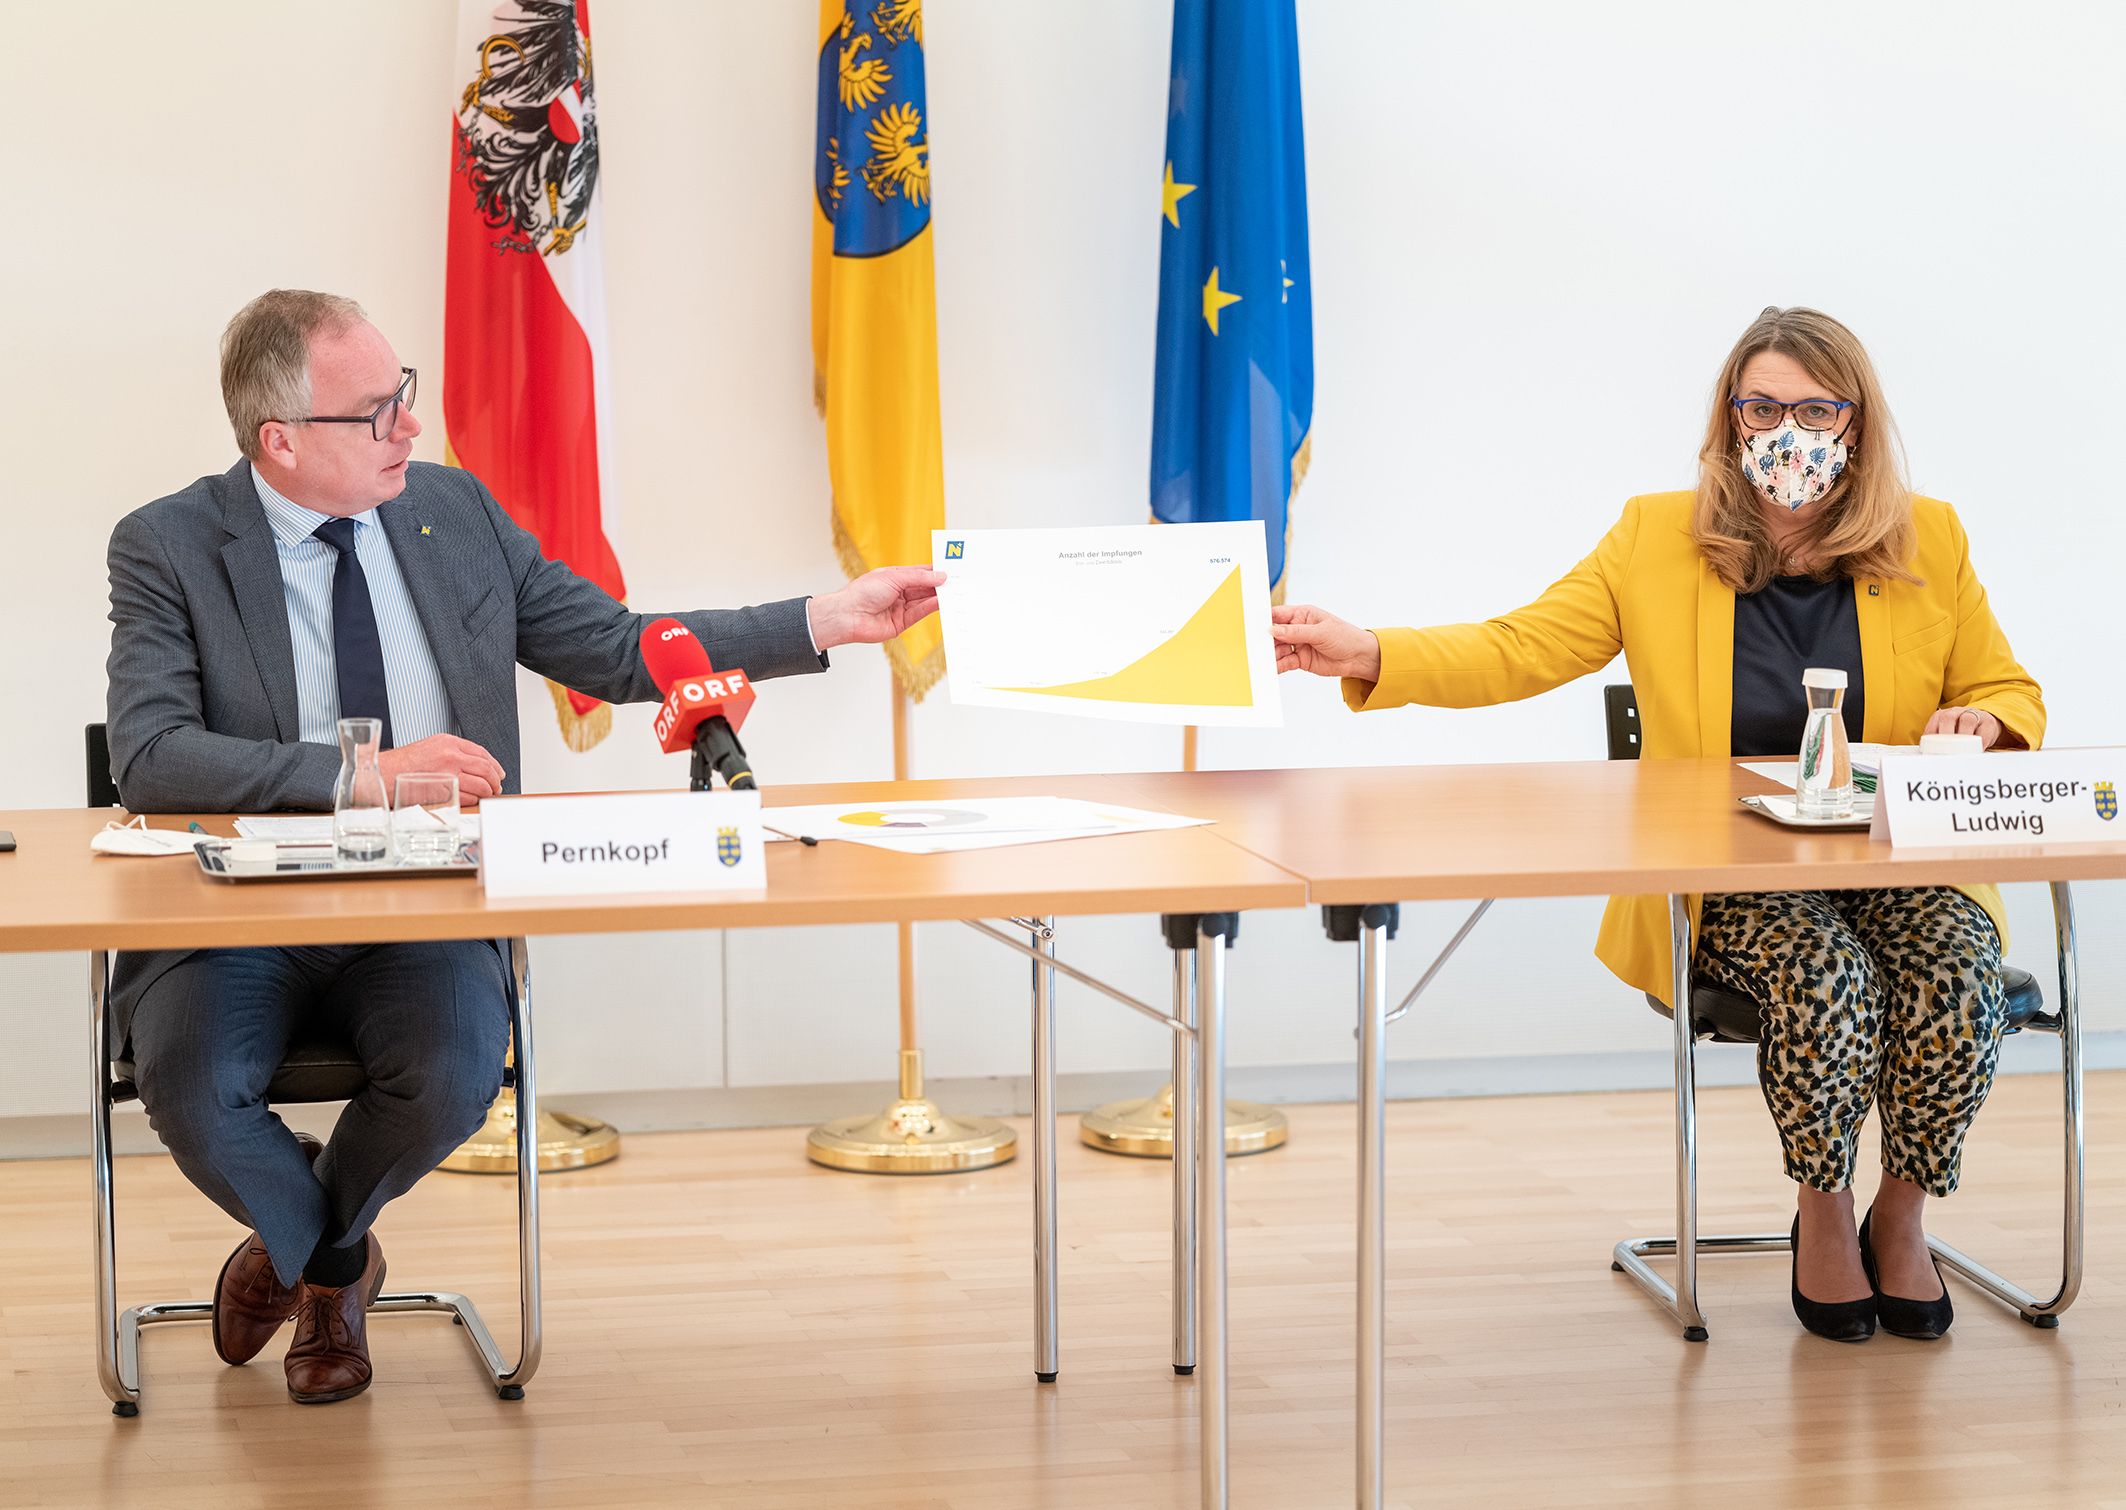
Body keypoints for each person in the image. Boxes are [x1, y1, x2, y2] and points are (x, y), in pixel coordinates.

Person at [104, 288, 943, 1403]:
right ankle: (337, 1268)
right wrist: (361, 773)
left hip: (432, 900)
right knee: (194, 1088)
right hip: (237, 913)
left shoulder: (454, 513)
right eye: (377, 410)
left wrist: (824, 618)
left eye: (404, 393)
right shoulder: (168, 544)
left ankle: (294, 1250)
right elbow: (153, 754)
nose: (411, 424)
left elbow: (615, 646)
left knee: (453, 1076)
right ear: (282, 441)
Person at [1271, 306, 2042, 1343]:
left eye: (1815, 410)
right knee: (1831, 980)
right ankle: (1822, 1209)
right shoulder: (1655, 536)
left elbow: (2002, 684)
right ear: (1730, 417)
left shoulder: (1927, 536)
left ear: (1855, 422)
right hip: (1734, 875)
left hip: (1893, 862)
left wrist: (1984, 720)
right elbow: (1521, 645)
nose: (1788, 432)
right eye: (1762, 407)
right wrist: (1371, 651)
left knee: (1955, 979)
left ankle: (1898, 1214)